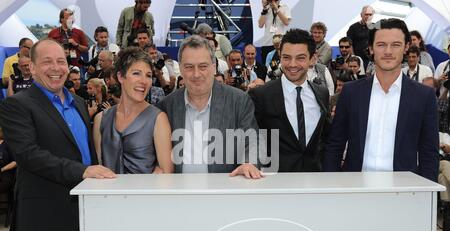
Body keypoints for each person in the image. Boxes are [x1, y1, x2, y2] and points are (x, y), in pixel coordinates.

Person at [0, 39, 116, 231]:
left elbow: (86, 152)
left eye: (61, 61)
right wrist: (83, 171)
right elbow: (30, 156)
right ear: (31, 66)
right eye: (47, 62)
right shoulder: (17, 105)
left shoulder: (77, 101)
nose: (56, 68)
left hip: (78, 222)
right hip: (42, 222)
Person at [323, 18, 439, 183]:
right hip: (354, 187)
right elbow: (335, 144)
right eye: (381, 44)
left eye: (396, 45)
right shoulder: (351, 92)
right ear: (370, 48)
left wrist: (426, 195)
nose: (388, 51)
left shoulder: (424, 96)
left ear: (406, 47)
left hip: (404, 192)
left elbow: (429, 152)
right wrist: (330, 186)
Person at [157, 35, 262, 179]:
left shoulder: (238, 100)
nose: (196, 74)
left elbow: (251, 141)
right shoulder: (167, 106)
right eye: (189, 67)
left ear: (214, 67)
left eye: (203, 66)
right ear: (180, 68)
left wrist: (249, 163)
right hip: (179, 193)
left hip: (224, 191)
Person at [249, 29, 330, 172]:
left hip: (314, 180)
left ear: (313, 59)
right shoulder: (261, 95)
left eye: (300, 58)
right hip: (276, 182)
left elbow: (325, 137)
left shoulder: (321, 93)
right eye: (286, 57)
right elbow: (250, 138)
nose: (292, 64)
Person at [93, 47, 173, 174]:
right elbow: (98, 168)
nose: (143, 81)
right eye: (136, 73)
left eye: (148, 75)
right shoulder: (101, 119)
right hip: (108, 193)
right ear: (120, 77)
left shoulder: (158, 119)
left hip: (144, 193)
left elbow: (166, 173)